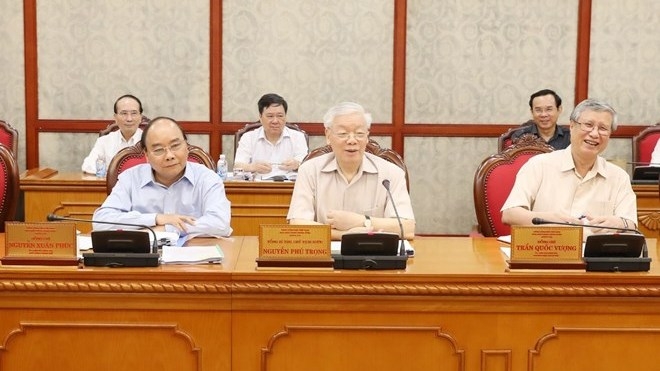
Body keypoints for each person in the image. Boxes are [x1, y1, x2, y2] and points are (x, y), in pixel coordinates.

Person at [501, 98, 637, 234]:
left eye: (603, 128)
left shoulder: (619, 177)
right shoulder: (539, 165)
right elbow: (510, 214)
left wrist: (620, 223)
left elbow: (631, 223)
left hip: (595, 253)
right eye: (588, 125)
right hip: (547, 249)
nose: (595, 134)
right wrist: (549, 220)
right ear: (572, 126)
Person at [287, 102, 415, 240]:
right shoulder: (309, 170)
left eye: (359, 133)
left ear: (367, 136)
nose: (352, 140)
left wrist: (361, 221)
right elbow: (297, 225)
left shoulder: (391, 173)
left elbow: (407, 228)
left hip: (373, 254)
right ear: (328, 135)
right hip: (324, 256)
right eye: (343, 133)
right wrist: (344, 235)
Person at [93, 117, 232, 240]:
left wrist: (167, 229)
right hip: (142, 263)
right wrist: (155, 219)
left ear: (186, 146)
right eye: (159, 150)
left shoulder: (207, 178)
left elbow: (220, 224)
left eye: (176, 145)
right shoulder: (130, 178)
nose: (169, 155)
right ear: (146, 155)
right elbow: (100, 222)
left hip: (194, 263)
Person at [233, 93, 308, 178]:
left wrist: (297, 164)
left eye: (280, 116)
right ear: (260, 117)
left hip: (289, 188)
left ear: (285, 117)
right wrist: (252, 167)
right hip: (258, 187)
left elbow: (308, 166)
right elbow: (237, 166)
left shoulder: (298, 137)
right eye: (270, 116)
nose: (275, 121)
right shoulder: (248, 137)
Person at [82, 94, 146, 174]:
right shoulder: (104, 141)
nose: (129, 119)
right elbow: (88, 165)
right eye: (124, 113)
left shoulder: (149, 140)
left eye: (134, 113)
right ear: (115, 117)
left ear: (140, 117)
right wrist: (113, 175)